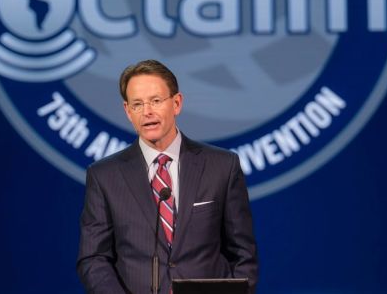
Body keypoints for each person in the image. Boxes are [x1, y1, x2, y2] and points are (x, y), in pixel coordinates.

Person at [77, 60, 258, 293]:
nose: (147, 112)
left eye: (155, 101)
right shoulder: (104, 176)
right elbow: (93, 258)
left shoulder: (222, 166)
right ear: (127, 111)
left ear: (176, 103)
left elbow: (243, 253)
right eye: (137, 104)